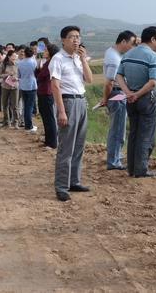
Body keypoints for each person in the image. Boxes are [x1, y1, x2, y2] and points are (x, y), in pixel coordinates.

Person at [50, 26, 93, 202]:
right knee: (66, 148)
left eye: (78, 36)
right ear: (63, 40)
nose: (76, 40)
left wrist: (84, 60)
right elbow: (55, 86)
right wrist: (61, 111)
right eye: (71, 37)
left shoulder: (77, 58)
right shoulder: (58, 59)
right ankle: (61, 186)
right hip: (67, 103)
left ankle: (74, 181)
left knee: (79, 146)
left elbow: (89, 80)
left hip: (81, 101)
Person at [116, 26, 156, 178]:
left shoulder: (128, 53)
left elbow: (118, 76)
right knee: (146, 134)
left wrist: (128, 92)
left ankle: (131, 168)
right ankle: (141, 170)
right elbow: (152, 82)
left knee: (134, 133)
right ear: (152, 39)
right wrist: (137, 94)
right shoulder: (153, 56)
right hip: (146, 99)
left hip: (131, 99)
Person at [101, 31, 137, 170]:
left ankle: (115, 155)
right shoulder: (115, 60)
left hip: (116, 94)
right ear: (123, 42)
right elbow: (109, 82)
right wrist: (105, 98)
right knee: (118, 129)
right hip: (117, 95)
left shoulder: (111, 51)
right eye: (131, 43)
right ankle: (113, 161)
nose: (132, 47)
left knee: (117, 127)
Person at [36, 43, 59, 148]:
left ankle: (53, 142)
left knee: (49, 118)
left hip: (47, 93)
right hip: (42, 92)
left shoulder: (51, 63)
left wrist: (39, 70)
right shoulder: (47, 62)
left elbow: (40, 76)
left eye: (46, 51)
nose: (43, 52)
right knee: (45, 118)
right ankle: (48, 140)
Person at [18, 46, 39, 133]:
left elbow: (19, 75)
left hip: (23, 85)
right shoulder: (34, 62)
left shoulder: (20, 63)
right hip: (31, 85)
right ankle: (28, 125)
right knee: (29, 107)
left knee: (25, 105)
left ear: (25, 53)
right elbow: (37, 73)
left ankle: (27, 124)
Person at [0, 51, 20, 128]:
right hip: (5, 86)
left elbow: (21, 76)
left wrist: (17, 78)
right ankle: (6, 122)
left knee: (15, 105)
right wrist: (7, 75)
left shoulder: (18, 64)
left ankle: (16, 122)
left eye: (15, 56)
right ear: (9, 57)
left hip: (15, 87)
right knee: (5, 104)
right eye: (13, 56)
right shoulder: (4, 64)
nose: (15, 58)